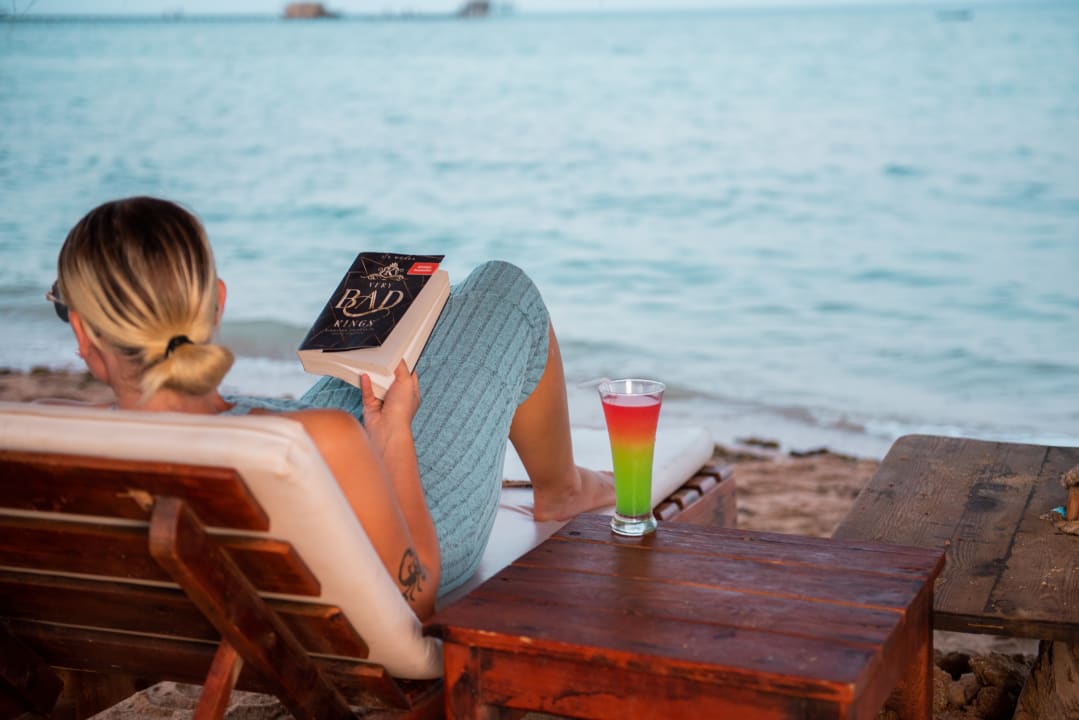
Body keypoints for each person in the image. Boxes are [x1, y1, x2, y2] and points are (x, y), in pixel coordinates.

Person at [50, 196, 614, 620]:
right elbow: (413, 595)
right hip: (394, 535)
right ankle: (561, 489)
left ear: (82, 332)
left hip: (236, 576)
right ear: (217, 303)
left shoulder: (54, 443)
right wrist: (393, 436)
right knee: (501, 288)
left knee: (413, 332)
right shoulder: (317, 437)